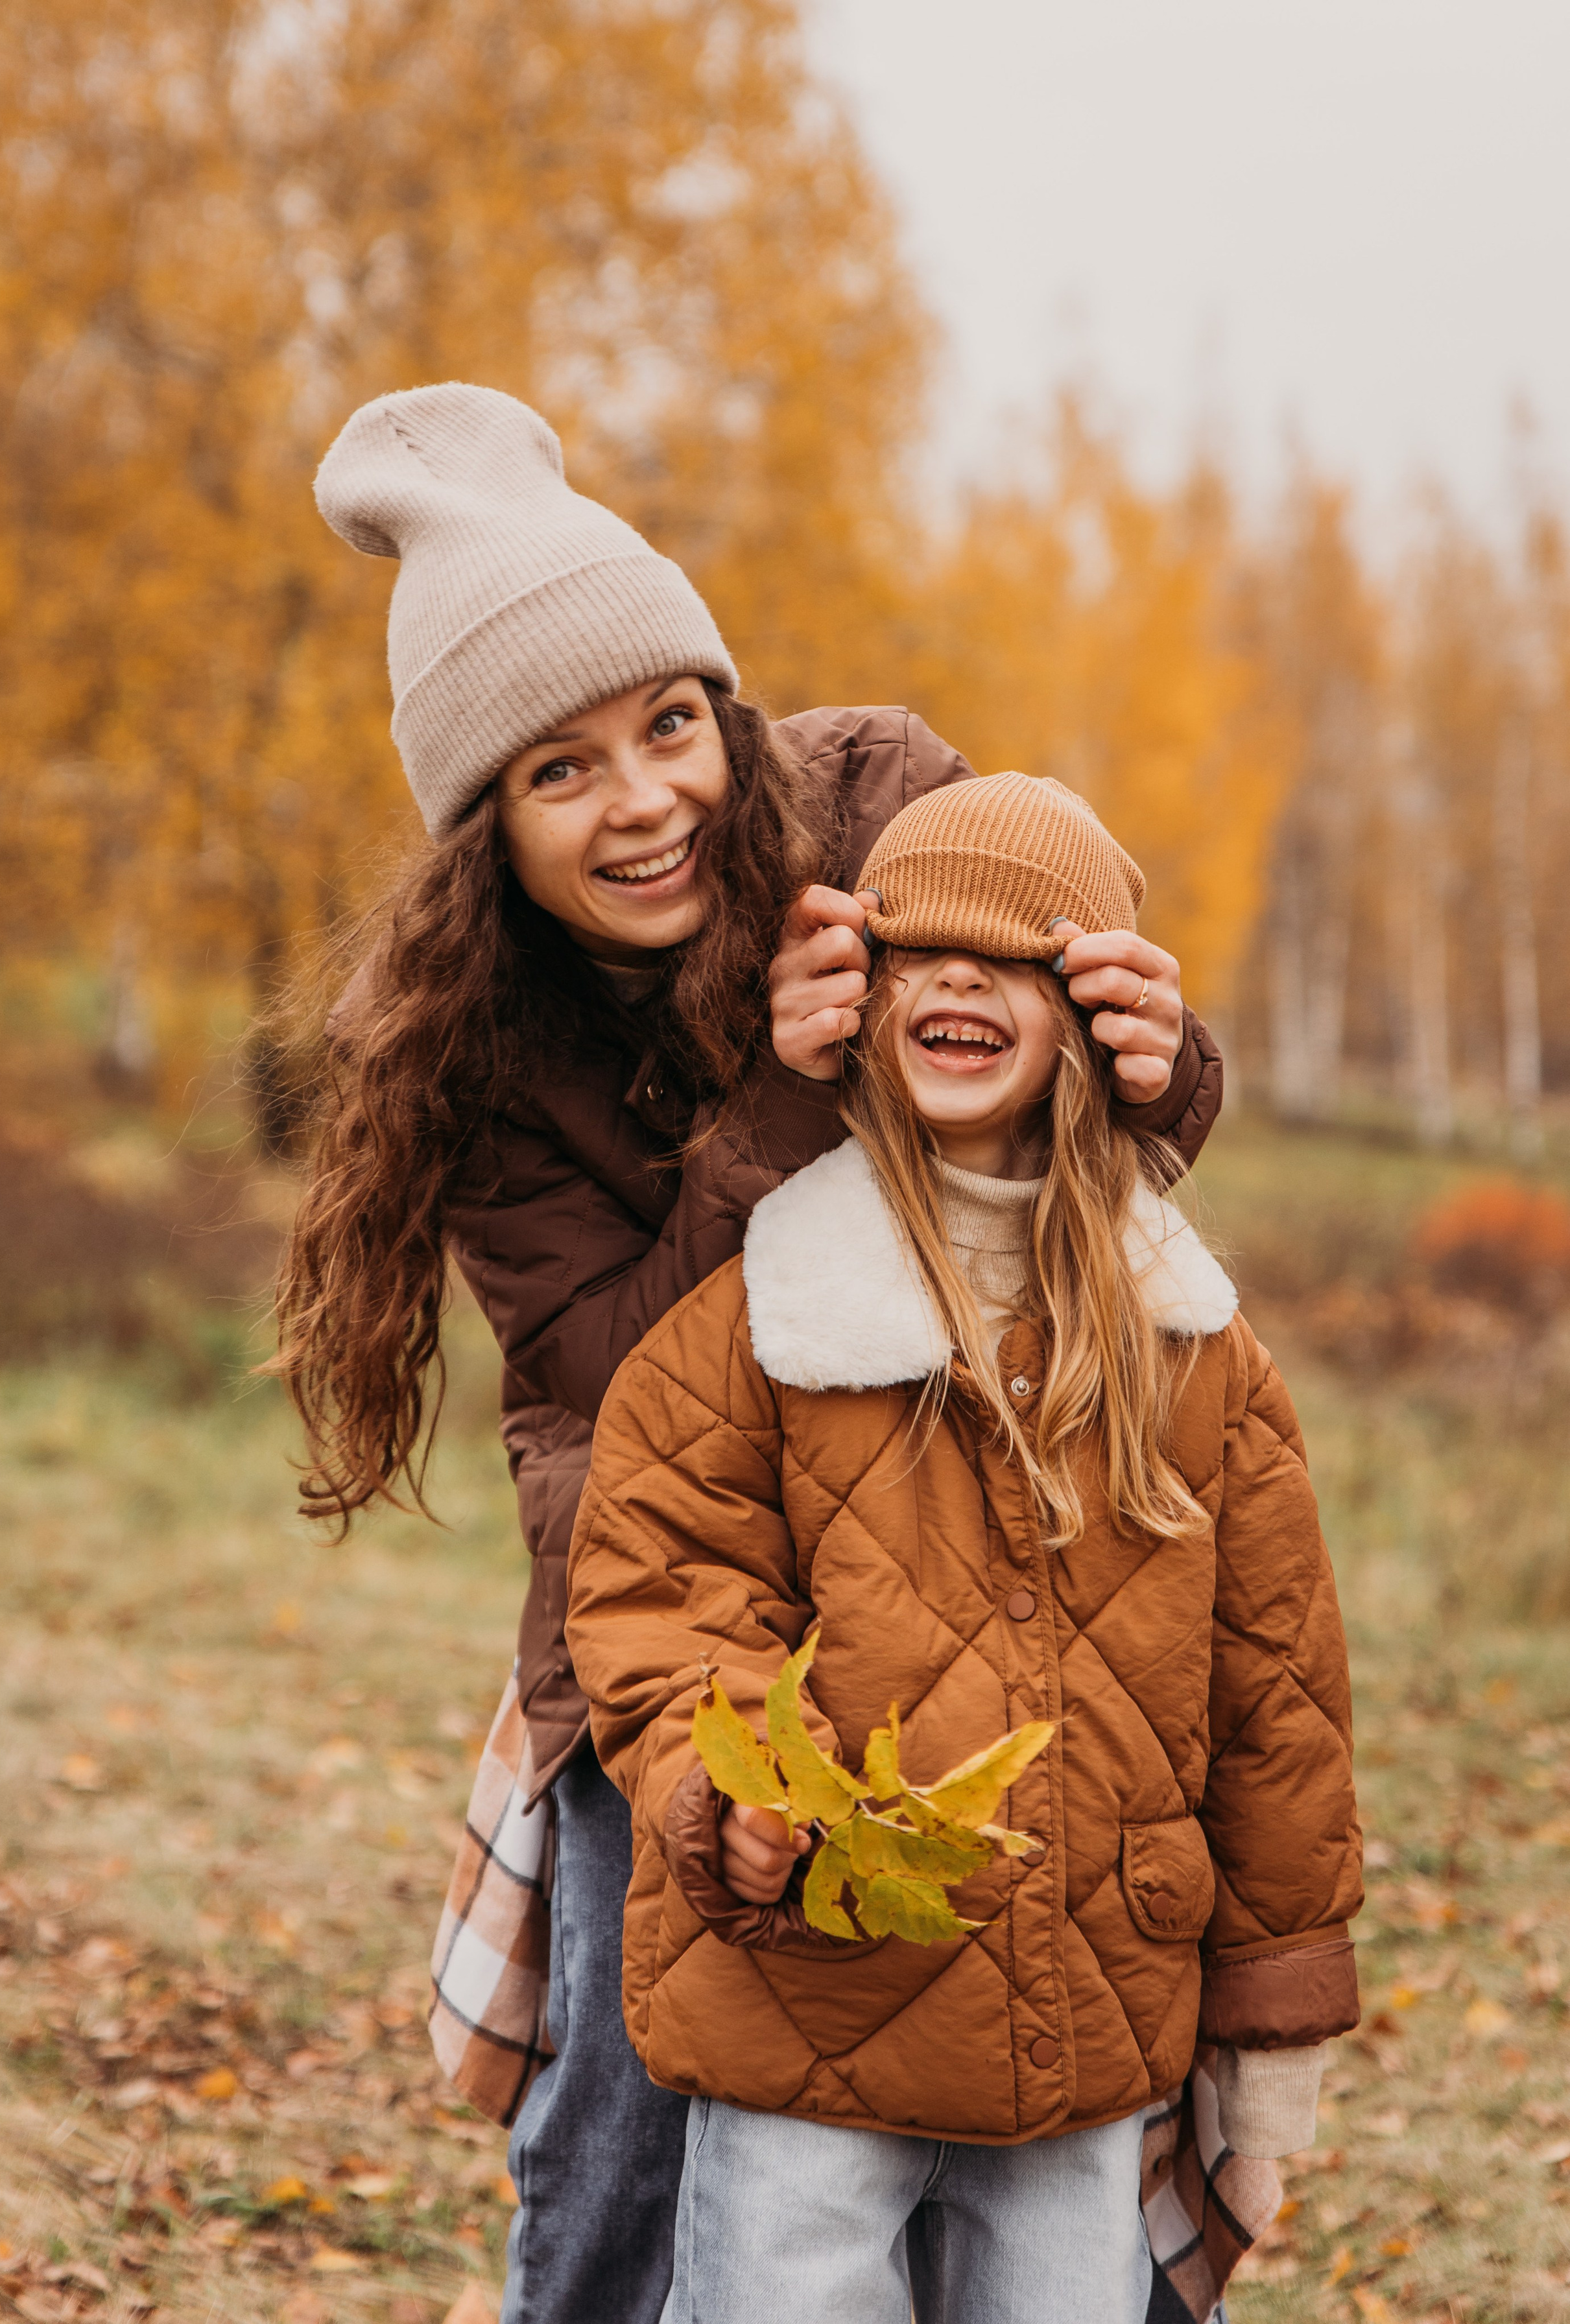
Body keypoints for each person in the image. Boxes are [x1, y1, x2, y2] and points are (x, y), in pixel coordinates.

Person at [276, 383, 1224, 2324]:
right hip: (668, 1613)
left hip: (979, 1554)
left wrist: (1154, 1059)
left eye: (670, 722)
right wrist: (780, 1122)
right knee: (637, 2118)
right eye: (561, 771)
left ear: (723, 705)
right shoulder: (466, 1051)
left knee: (1034, 2084)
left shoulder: (881, 803)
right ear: (485, 831)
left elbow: (1065, 1160)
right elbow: (624, 1402)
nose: (647, 801)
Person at [564, 774, 1364, 2324]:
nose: (948, 983)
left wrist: (1273, 2016)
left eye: (1003, 960)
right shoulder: (757, 1318)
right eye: (912, 952)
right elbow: (664, 1607)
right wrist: (720, 1791)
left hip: (1084, 2023)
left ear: (1086, 1010)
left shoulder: (1189, 1347)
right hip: (806, 2007)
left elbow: (1274, 1695)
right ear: (863, 1004)